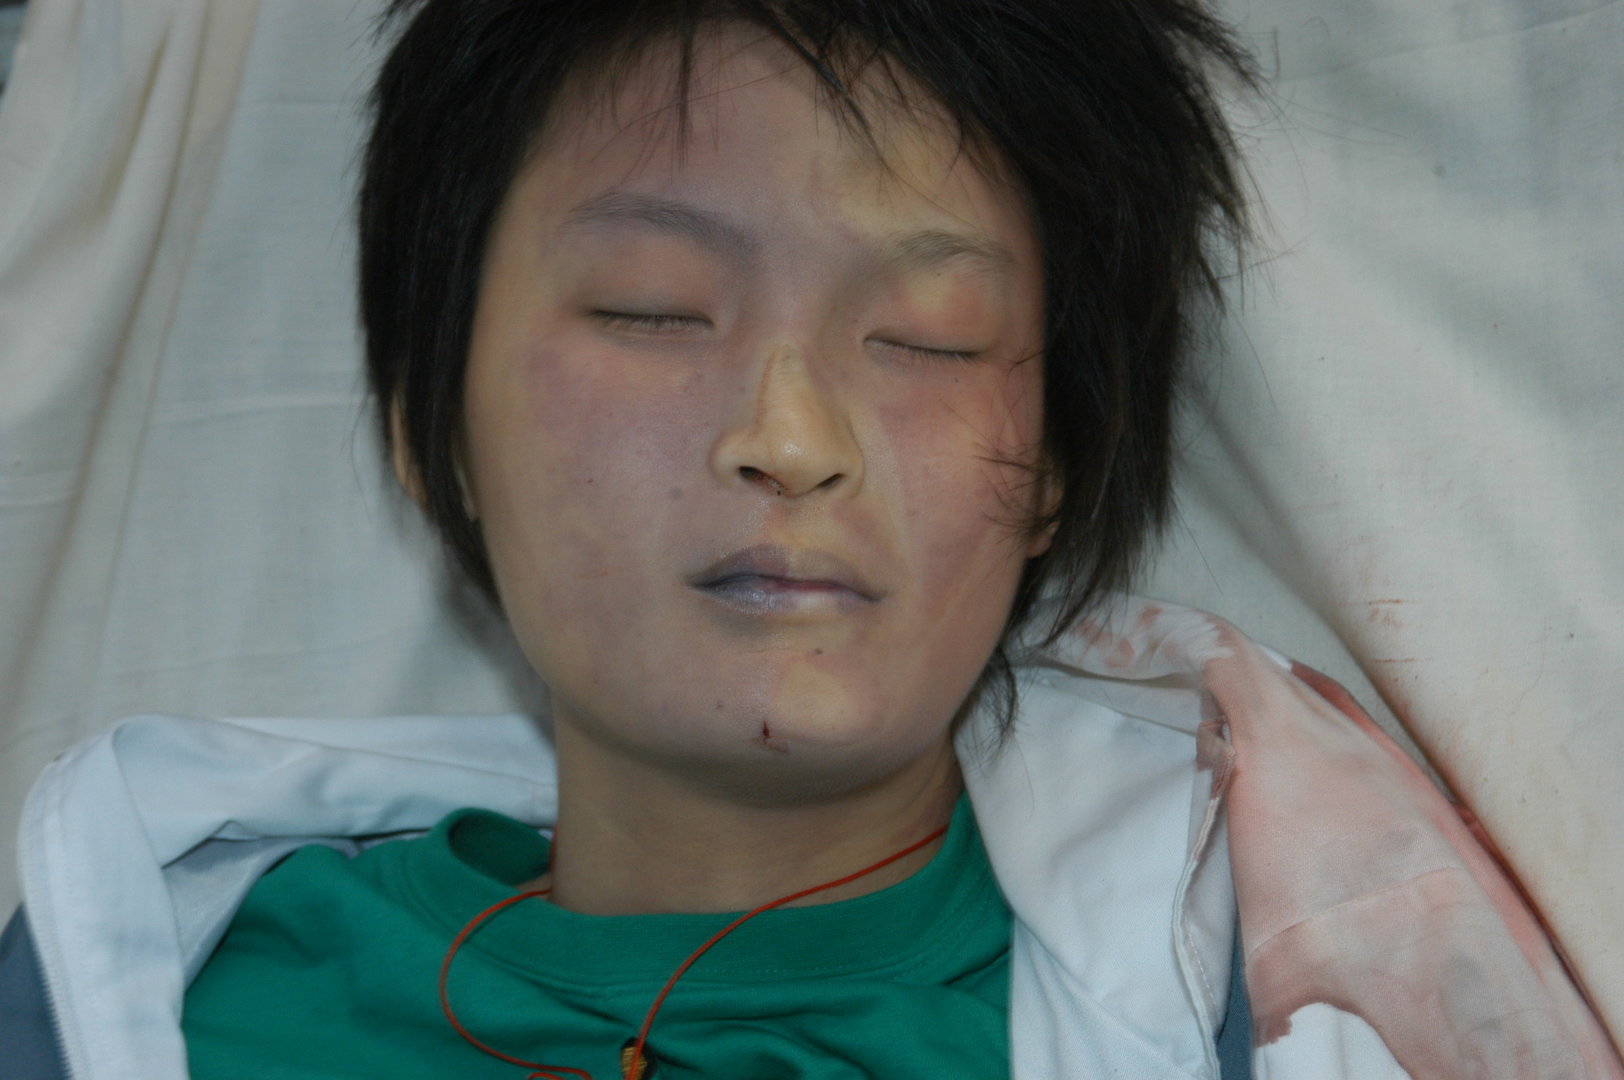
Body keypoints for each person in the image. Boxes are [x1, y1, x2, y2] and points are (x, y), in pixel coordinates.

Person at [3, 1, 1619, 1078]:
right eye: (651, 310)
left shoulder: (1294, 1014)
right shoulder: (141, 990)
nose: (787, 437)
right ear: (433, 426)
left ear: (1056, 465)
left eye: (925, 336)